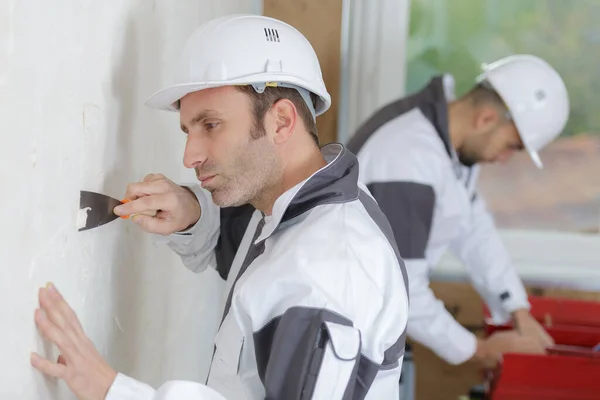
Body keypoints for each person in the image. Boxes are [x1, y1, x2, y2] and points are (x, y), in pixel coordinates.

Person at [30, 14, 410, 400]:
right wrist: (194, 214)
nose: (189, 156)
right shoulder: (305, 204)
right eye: (187, 130)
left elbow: (290, 275)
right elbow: (261, 259)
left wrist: (113, 391)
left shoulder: (328, 275)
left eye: (210, 125)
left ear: (280, 121)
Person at [347, 54, 569, 373]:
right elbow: (400, 288)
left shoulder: (452, 147)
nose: (505, 159)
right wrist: (477, 349)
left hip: (378, 328)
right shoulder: (408, 157)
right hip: (351, 335)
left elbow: (475, 230)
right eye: (512, 146)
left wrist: (517, 309)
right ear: (486, 119)